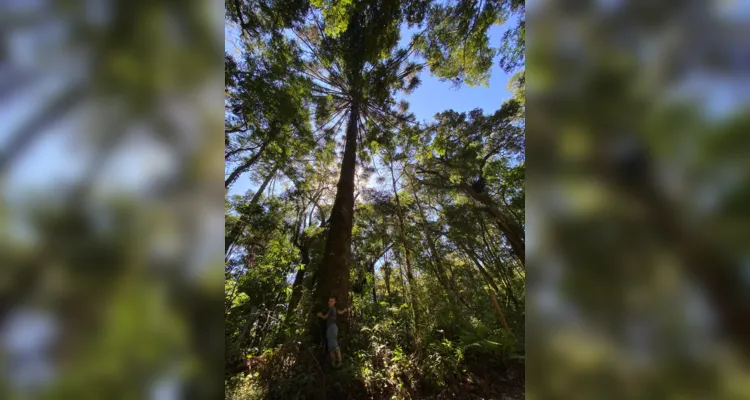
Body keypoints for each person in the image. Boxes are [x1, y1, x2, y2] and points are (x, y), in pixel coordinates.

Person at [317, 296, 349, 367]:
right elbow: (340, 313)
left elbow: (325, 317)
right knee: (330, 345)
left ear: (334, 302)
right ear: (328, 302)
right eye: (329, 301)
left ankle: (339, 361)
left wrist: (320, 315)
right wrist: (344, 310)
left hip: (332, 327)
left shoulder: (331, 309)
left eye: (332, 301)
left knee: (334, 344)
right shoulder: (334, 309)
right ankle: (334, 363)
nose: (330, 302)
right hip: (331, 328)